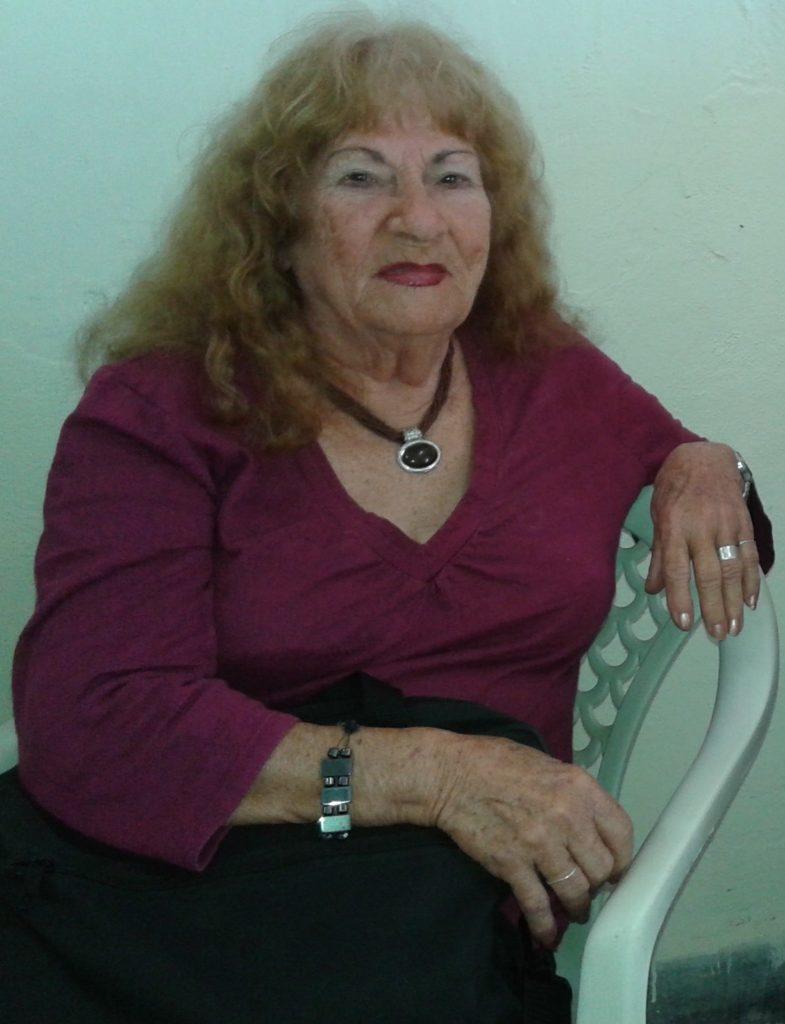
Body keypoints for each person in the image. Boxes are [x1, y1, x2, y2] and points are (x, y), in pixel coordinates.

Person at [4, 12, 774, 1024]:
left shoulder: (546, 376)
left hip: (437, 912)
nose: (417, 219)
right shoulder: (162, 408)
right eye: (360, 178)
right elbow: (95, 718)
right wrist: (433, 777)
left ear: (492, 216)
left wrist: (706, 463)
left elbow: (700, 496)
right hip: (188, 892)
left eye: (451, 177)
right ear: (277, 225)